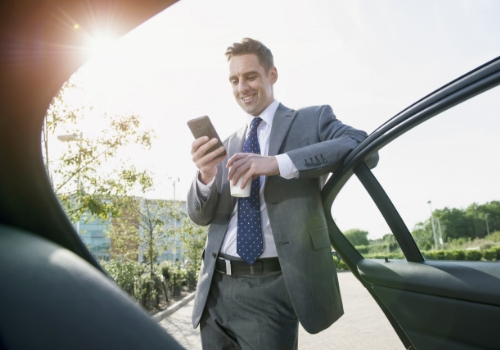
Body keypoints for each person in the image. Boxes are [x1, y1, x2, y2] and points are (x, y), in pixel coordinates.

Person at [187, 38, 377, 350]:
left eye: (250, 76)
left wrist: (277, 163)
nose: (242, 88)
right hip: (215, 290)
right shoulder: (229, 143)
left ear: (272, 75)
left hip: (271, 288)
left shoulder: (311, 120)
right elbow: (199, 216)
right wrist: (205, 176)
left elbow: (363, 147)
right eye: (234, 80)